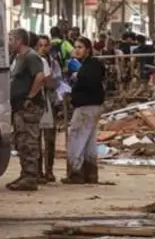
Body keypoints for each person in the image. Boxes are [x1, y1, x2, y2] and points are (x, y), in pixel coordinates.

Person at [7, 29, 47, 191]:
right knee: (21, 141)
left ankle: (31, 176)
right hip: (18, 107)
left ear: (19, 41)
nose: (8, 42)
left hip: (29, 107)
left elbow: (40, 77)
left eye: (10, 39)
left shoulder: (31, 57)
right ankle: (25, 174)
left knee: (29, 142)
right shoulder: (17, 58)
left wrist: (30, 97)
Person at [65, 37, 105, 185]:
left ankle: (76, 173)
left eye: (80, 47)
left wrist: (79, 74)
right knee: (88, 141)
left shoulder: (91, 65)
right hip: (90, 106)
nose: (77, 50)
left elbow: (90, 81)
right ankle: (90, 174)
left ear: (87, 49)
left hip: (86, 107)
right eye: (75, 47)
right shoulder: (88, 65)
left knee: (76, 138)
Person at [34, 35, 63, 185]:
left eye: (46, 45)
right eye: (41, 45)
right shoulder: (34, 62)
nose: (43, 48)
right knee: (36, 139)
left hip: (49, 103)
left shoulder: (53, 63)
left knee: (49, 139)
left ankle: (49, 170)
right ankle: (38, 171)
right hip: (36, 104)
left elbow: (55, 83)